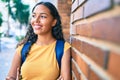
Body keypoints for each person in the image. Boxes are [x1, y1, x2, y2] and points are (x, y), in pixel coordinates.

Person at [6, 1, 71, 80]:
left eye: (43, 16)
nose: (36, 20)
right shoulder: (22, 48)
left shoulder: (63, 48)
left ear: (54, 22)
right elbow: (10, 77)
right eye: (33, 16)